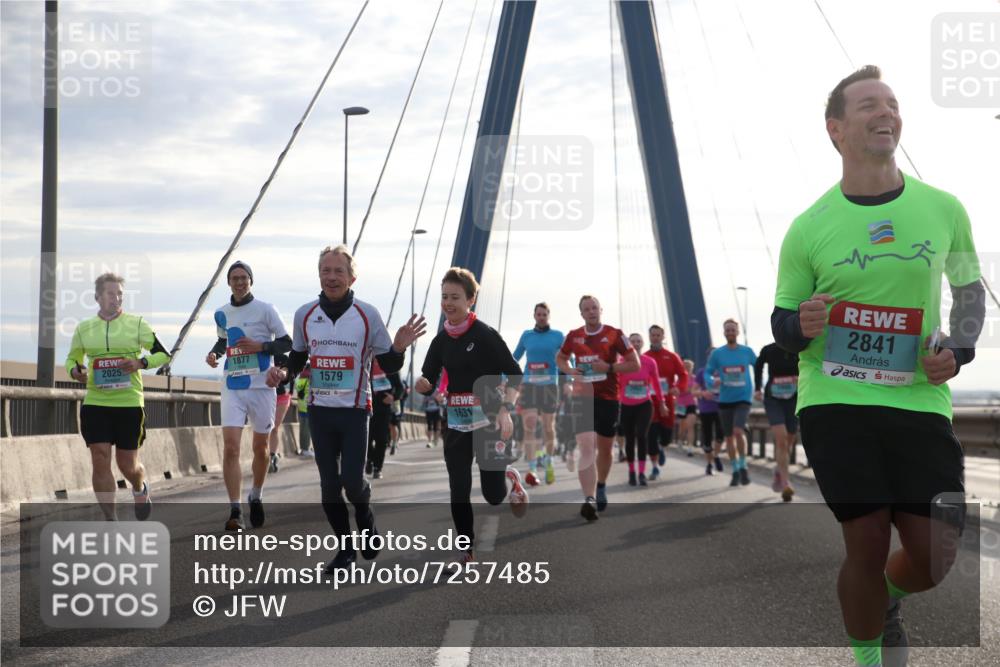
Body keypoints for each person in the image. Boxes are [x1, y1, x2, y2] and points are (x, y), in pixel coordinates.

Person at [771, 66, 984, 667]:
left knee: (934, 557)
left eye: (892, 103)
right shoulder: (808, 227)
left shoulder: (944, 208)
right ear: (836, 129)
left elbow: (969, 294)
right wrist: (801, 326)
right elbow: (783, 321)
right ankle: (872, 658)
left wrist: (959, 349)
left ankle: (886, 598)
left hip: (918, 399)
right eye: (869, 105)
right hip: (835, 399)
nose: (886, 112)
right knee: (864, 541)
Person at [267, 245, 426, 572]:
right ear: (319, 275)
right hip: (320, 412)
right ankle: (345, 550)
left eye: (339, 271)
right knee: (329, 489)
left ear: (352, 277)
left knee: (353, 482)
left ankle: (366, 520)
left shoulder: (368, 315)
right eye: (326, 270)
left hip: (355, 411)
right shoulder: (305, 315)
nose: (331, 277)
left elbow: (390, 363)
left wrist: (398, 345)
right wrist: (283, 372)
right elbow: (297, 358)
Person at [415, 267, 529, 562]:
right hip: (456, 422)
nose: (448, 303)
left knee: (493, 496)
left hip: (490, 420)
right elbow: (429, 378)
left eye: (455, 297)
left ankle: (509, 474)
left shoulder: (485, 335)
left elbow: (515, 373)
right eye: (444, 297)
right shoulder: (441, 340)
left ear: (471, 300)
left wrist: (506, 408)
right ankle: (465, 548)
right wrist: (424, 385)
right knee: (459, 487)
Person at [66, 272, 170, 520]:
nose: (117, 298)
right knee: (100, 458)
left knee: (127, 465)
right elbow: (73, 359)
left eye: (120, 294)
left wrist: (140, 362)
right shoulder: (84, 328)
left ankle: (138, 486)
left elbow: (163, 354)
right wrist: (75, 371)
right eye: (111, 294)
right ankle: (111, 520)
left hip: (129, 403)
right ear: (98, 297)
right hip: (96, 402)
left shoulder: (137, 324)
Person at [206, 261, 291, 530]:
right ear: (229, 283)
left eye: (244, 278)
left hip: (262, 387)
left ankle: (256, 494)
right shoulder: (221, 313)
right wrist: (215, 354)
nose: (240, 282)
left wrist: (261, 345)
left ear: (251, 281)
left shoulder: (266, 310)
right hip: (233, 385)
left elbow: (287, 343)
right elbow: (224, 340)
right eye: (235, 278)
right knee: (231, 446)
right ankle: (235, 510)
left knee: (260, 448)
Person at [556, 295, 639, 519]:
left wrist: (609, 367)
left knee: (604, 449)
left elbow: (634, 364)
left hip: (609, 399)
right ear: (581, 313)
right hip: (583, 398)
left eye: (594, 308)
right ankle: (589, 498)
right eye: (586, 309)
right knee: (586, 447)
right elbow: (560, 358)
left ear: (600, 310)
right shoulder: (574, 336)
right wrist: (570, 371)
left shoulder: (615, 334)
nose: (591, 312)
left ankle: (601, 484)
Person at [512, 302, 564, 486]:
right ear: (534, 316)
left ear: (549, 315)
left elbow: (568, 358)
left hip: (550, 386)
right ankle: (532, 468)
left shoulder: (558, 336)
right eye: (538, 314)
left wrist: (571, 379)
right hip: (530, 385)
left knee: (549, 427)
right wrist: (503, 376)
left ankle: (548, 461)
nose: (541, 317)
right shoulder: (527, 335)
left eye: (544, 314)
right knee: (530, 425)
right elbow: (515, 357)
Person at [705, 319, 756, 487]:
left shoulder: (747, 351)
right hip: (725, 399)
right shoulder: (717, 354)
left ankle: (744, 466)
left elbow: (759, 366)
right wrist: (712, 382)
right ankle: (735, 470)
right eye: (727, 330)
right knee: (728, 437)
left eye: (733, 330)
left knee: (738, 431)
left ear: (738, 331)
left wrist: (760, 387)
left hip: (743, 398)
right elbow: (707, 372)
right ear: (724, 332)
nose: (730, 332)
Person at [617, 333, 667, 486]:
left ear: (642, 343)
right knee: (630, 438)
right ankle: (632, 471)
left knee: (642, 435)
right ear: (629, 344)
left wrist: (662, 402)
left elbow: (656, 384)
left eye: (639, 341)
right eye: (633, 341)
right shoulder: (621, 362)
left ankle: (641, 473)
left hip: (644, 404)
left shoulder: (649, 362)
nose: (636, 343)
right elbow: (616, 384)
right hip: (626, 405)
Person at [754, 342, 800, 501]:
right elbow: (758, 366)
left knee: (789, 441)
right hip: (773, 399)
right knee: (781, 440)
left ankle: (779, 470)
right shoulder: (768, 349)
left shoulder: (798, 347)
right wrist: (757, 388)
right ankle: (786, 483)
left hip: (794, 399)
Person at [643, 325, 688, 479]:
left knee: (666, 436)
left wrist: (678, 387)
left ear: (663, 337)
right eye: (652, 335)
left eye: (658, 335)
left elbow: (683, 375)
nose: (655, 337)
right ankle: (655, 467)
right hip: (649, 401)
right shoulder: (644, 357)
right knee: (651, 434)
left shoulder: (672, 356)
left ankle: (662, 447)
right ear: (649, 337)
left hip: (668, 401)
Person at [367, 358, 404, 479]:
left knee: (381, 439)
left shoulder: (390, 365)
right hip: (365, 407)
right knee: (366, 438)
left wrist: (393, 397)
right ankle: (370, 459)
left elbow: (400, 388)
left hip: (383, 407)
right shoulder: (365, 362)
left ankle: (378, 468)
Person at [693, 352, 725, 475]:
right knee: (707, 438)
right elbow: (693, 390)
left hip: (722, 408)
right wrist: (702, 393)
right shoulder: (702, 372)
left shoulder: (725, 371)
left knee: (720, 436)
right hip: (706, 409)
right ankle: (709, 464)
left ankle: (716, 456)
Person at [268, 361, 293, 473]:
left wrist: (291, 391)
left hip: (282, 397)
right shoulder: (263, 355)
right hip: (266, 395)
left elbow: (291, 372)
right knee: (266, 427)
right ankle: (266, 455)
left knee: (274, 427)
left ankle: (272, 456)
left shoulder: (282, 357)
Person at [675, 359, 698, 456]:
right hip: (681, 404)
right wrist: (688, 390)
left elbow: (695, 390)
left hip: (691, 403)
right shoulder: (679, 379)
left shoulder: (695, 379)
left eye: (689, 367)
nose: (687, 368)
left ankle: (690, 448)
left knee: (690, 425)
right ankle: (680, 441)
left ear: (692, 368)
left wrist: (687, 390)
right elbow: (677, 391)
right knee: (682, 426)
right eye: (685, 366)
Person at [294, 365, 313, 457]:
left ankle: (304, 448)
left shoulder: (299, 379)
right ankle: (305, 449)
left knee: (303, 429)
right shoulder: (309, 379)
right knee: (307, 430)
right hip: (308, 407)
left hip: (301, 407)